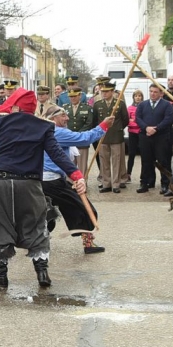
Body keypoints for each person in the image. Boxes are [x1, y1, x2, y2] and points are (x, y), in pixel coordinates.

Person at [0, 88, 87, 287]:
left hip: (0, 181)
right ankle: (42, 273)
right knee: (35, 225)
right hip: (30, 183)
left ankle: (1, 275)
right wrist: (76, 175)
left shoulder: (0, 122)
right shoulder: (43, 126)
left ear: (16, 106)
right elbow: (58, 155)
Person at [41, 104, 112, 258]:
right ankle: (88, 244)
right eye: (63, 116)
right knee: (84, 209)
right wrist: (104, 125)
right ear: (53, 118)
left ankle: (37, 240)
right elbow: (84, 138)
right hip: (52, 182)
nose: (67, 118)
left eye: (67, 115)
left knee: (46, 212)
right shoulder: (56, 132)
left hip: (41, 181)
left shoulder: (42, 130)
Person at [135, 84, 173, 194]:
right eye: (151, 91)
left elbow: (168, 119)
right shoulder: (142, 104)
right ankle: (146, 182)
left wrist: (156, 128)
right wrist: (146, 127)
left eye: (155, 92)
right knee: (146, 160)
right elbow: (138, 118)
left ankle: (165, 184)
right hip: (145, 136)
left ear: (161, 93)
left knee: (163, 161)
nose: (152, 94)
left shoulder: (167, 105)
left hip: (161, 137)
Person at [94, 81, 129, 193]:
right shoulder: (98, 104)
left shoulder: (120, 103)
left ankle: (116, 184)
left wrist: (117, 128)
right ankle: (106, 183)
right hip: (103, 136)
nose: (104, 93)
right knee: (104, 161)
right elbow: (95, 121)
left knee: (116, 161)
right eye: (102, 91)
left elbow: (125, 120)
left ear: (112, 91)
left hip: (116, 136)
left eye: (107, 91)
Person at [126, 90, 144, 183]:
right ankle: (128, 173)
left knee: (143, 154)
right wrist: (135, 121)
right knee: (131, 154)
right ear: (133, 97)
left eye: (139, 96)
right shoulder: (129, 108)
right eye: (136, 96)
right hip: (132, 133)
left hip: (141, 133)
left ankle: (143, 175)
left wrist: (135, 121)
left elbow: (144, 121)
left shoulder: (144, 107)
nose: (138, 97)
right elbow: (127, 121)